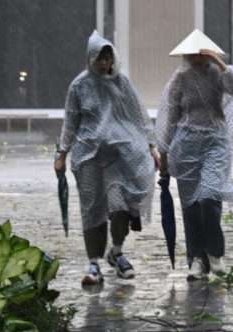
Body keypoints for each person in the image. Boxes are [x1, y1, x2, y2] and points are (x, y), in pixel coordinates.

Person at [55, 31, 159, 286]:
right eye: (99, 58)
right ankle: (94, 263)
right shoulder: (79, 86)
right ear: (91, 58)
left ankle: (117, 251)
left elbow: (139, 115)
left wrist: (152, 146)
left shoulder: (122, 84)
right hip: (88, 156)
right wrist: (62, 153)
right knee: (92, 210)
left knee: (119, 205)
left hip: (118, 157)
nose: (104, 64)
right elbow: (71, 122)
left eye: (107, 59)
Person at [156, 30, 233, 281]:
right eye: (193, 55)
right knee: (191, 205)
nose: (198, 59)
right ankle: (197, 259)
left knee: (209, 197)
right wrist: (163, 156)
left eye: (202, 54)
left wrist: (220, 63)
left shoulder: (218, 74)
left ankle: (215, 254)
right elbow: (170, 117)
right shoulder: (180, 79)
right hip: (186, 146)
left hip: (216, 142)